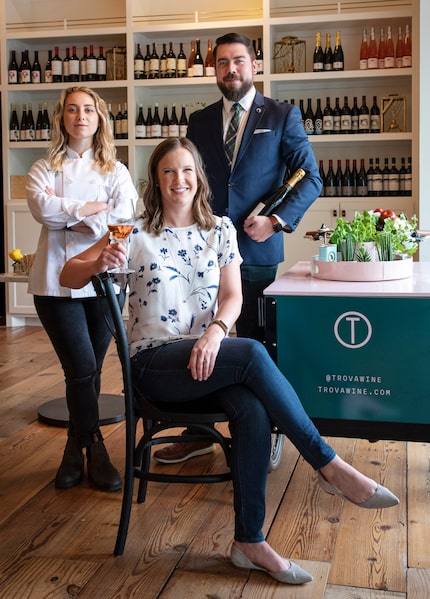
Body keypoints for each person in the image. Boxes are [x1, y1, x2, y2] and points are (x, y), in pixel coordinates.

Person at [60, 137, 399, 585]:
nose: (178, 180)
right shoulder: (132, 230)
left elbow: (233, 297)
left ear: (198, 177)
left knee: (251, 406)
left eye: (186, 170)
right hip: (155, 365)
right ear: (155, 181)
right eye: (167, 172)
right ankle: (328, 464)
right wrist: (100, 259)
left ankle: (249, 541)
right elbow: (68, 273)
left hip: (210, 358)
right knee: (255, 353)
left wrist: (215, 333)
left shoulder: (219, 228)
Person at [155, 31, 323, 463]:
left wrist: (276, 220)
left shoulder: (283, 115)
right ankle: (197, 434)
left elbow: (311, 176)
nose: (231, 69)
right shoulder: (199, 121)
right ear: (215, 69)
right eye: (223, 62)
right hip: (201, 255)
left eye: (239, 61)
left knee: (257, 345)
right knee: (198, 338)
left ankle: (262, 434)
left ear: (254, 65)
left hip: (257, 251)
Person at [26, 86, 138, 492]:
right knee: (81, 368)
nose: (80, 116)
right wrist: (90, 209)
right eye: (72, 109)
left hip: (106, 282)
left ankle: (76, 446)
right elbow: (40, 207)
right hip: (55, 282)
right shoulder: (44, 167)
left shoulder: (117, 170)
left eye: (88, 109)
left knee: (87, 370)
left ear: (99, 118)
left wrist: (67, 213)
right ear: (62, 118)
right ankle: (96, 448)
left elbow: (124, 217)